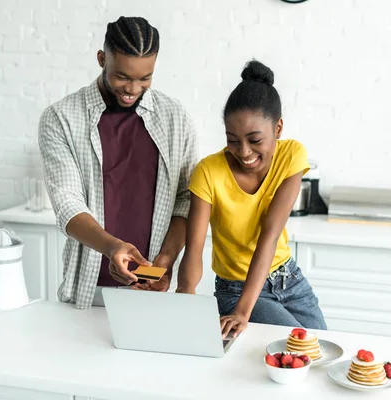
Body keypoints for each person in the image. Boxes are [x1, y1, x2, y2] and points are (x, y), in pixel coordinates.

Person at [38, 16, 198, 309]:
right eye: (123, 76)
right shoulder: (61, 118)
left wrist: (166, 259)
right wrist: (111, 248)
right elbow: (67, 203)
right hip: (90, 290)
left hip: (153, 288)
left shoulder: (176, 117)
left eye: (144, 78)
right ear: (102, 59)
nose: (133, 88)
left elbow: (186, 199)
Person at [176, 60, 327, 338]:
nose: (243, 152)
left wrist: (242, 314)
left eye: (255, 140)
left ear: (278, 128)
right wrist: (186, 297)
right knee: (299, 348)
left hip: (289, 280)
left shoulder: (292, 155)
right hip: (236, 290)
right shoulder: (208, 172)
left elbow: (269, 235)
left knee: (321, 348)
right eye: (232, 140)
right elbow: (193, 250)